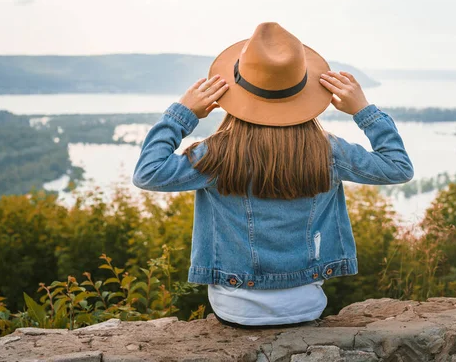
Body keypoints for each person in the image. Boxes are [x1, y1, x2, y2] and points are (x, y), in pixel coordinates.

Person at [132, 22, 413, 329]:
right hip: (305, 305)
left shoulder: (216, 155)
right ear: (303, 90)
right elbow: (398, 166)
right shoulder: (329, 152)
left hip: (235, 306)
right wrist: (364, 110)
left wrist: (182, 113)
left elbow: (148, 172)